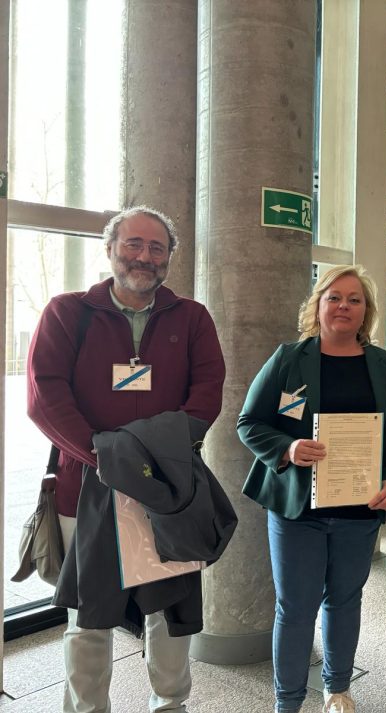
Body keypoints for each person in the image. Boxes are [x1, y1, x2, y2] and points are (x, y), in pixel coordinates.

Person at [26, 205, 227, 713]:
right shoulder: (66, 312)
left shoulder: (192, 318)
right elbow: (44, 396)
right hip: (87, 487)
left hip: (169, 489)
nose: (144, 255)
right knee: (88, 615)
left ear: (168, 259)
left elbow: (207, 396)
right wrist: (103, 454)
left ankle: (170, 703)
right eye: (134, 243)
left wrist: (152, 457)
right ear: (111, 248)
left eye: (157, 247)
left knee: (169, 607)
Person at [238, 264, 386, 713]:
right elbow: (249, 423)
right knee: (295, 608)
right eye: (334, 297)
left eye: (354, 300)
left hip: (360, 508)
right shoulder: (288, 359)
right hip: (299, 510)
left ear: (366, 311)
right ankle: (288, 702)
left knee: (345, 600)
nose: (343, 306)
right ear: (317, 305)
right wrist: (288, 447)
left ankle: (338, 690)